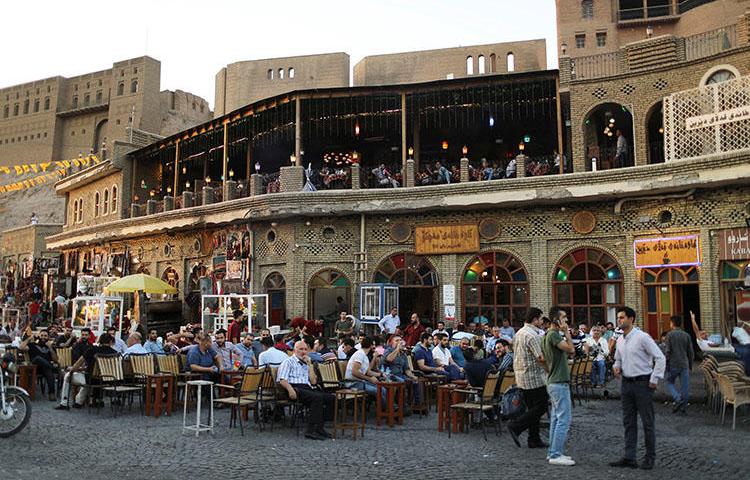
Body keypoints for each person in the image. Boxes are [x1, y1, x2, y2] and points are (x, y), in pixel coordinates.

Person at [610, 307, 666, 471]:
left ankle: (649, 457)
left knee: (647, 422)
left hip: (642, 383)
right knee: (628, 422)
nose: (619, 320)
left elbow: (660, 357)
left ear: (631, 319)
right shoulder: (620, 339)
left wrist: (655, 379)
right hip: (626, 383)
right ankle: (629, 457)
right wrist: (616, 367)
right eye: (618, 318)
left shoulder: (643, 337)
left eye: (622, 317)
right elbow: (617, 360)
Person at [276, 340, 334, 440]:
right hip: (294, 388)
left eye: (305, 349)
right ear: (294, 350)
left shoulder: (306, 363)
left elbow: (313, 382)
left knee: (330, 398)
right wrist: (290, 390)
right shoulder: (288, 362)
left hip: (307, 388)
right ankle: (310, 431)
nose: (303, 352)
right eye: (301, 349)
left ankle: (320, 427)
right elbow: (282, 380)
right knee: (317, 397)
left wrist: (310, 365)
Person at [507, 307, 548, 449]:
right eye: (541, 319)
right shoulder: (532, 335)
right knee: (541, 406)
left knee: (532, 408)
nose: (542, 322)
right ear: (535, 319)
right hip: (533, 376)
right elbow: (540, 357)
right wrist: (549, 371)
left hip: (521, 375)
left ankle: (534, 439)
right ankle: (516, 426)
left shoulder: (519, 333)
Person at [542, 307, 576, 466]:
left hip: (553, 381)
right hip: (558, 382)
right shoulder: (554, 335)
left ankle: (553, 452)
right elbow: (571, 350)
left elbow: (542, 359)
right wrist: (567, 333)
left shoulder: (546, 336)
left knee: (556, 419)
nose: (567, 321)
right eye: (564, 318)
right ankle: (555, 454)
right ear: (556, 320)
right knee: (564, 419)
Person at [56, 333, 118, 410]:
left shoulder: (92, 349)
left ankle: (64, 403)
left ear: (99, 340)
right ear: (111, 342)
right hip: (106, 380)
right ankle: (79, 402)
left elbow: (79, 362)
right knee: (87, 377)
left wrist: (71, 370)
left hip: (91, 379)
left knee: (68, 376)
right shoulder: (115, 353)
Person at [665, 315, 694, 414]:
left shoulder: (669, 335)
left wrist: (666, 363)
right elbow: (690, 352)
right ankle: (684, 407)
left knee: (669, 382)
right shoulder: (686, 335)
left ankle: (678, 399)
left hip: (673, 364)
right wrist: (690, 365)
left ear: (672, 323)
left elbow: (668, 351)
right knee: (684, 386)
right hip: (684, 364)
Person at [19, 329, 58, 401]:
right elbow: (21, 347)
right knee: (38, 358)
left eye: (45, 336)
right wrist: (30, 338)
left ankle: (51, 393)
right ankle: (52, 367)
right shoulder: (33, 345)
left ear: (48, 337)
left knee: (49, 371)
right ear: (39, 336)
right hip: (34, 367)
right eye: (42, 335)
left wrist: (50, 347)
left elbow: (55, 360)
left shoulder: (50, 347)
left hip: (44, 368)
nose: (43, 337)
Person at [383, 334, 421, 403]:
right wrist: (397, 349)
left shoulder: (403, 354)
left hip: (400, 375)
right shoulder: (388, 350)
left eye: (400, 340)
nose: (399, 342)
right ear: (391, 342)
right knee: (402, 382)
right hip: (390, 375)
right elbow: (389, 359)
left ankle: (417, 404)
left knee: (415, 381)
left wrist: (413, 376)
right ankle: (401, 405)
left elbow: (407, 369)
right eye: (396, 341)